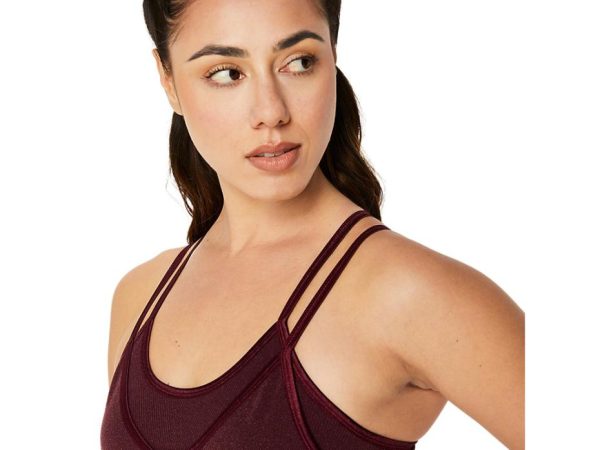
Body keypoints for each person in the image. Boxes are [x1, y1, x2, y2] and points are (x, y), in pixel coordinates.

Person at [100, 0, 525, 448]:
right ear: (168, 80)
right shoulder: (140, 295)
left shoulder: (410, 294)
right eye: (226, 73)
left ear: (333, 57)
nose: (271, 111)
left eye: (299, 62)